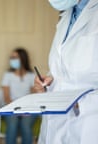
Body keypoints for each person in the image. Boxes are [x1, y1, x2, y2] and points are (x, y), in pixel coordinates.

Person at [34, 0, 98, 143]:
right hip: (57, 118)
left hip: (89, 121)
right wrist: (50, 80)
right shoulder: (66, 16)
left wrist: (87, 103)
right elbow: (66, 68)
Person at [1, 48, 36, 144]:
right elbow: (6, 97)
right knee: (12, 125)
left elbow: (33, 96)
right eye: (11, 57)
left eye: (15, 57)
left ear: (23, 58)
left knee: (26, 125)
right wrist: (16, 110)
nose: (12, 59)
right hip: (10, 107)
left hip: (28, 108)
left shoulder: (31, 75)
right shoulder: (7, 75)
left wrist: (24, 109)